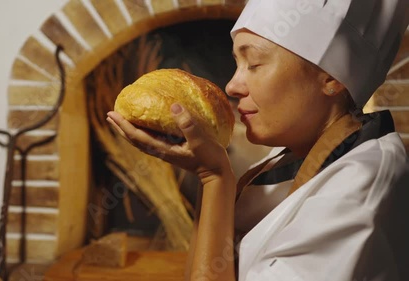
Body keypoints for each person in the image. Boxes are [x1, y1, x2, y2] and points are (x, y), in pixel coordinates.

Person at [106, 0, 409, 280]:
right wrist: (208, 175)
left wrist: (214, 177)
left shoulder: (360, 188)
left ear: (331, 79)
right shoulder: (288, 155)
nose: (232, 86)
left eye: (254, 64)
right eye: (236, 63)